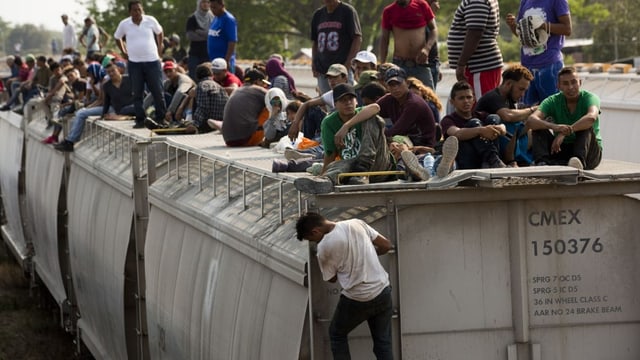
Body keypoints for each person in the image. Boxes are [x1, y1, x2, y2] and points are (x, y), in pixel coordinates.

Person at [295, 212, 394, 360]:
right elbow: (386, 245)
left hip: (357, 299)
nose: (314, 242)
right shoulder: (357, 223)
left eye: (312, 239)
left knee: (337, 334)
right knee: (383, 342)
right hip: (382, 292)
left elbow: (332, 279)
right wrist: (369, 254)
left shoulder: (324, 248)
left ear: (316, 231)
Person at [293, 84, 395, 194]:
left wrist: (346, 126)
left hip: (379, 166)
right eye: (343, 100)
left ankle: (363, 168)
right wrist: (324, 173)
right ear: (335, 104)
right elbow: (330, 155)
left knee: (373, 118)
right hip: (352, 169)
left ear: (356, 101)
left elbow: (376, 107)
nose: (348, 103)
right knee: (338, 165)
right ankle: (323, 182)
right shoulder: (328, 123)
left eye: (351, 99)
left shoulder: (363, 113)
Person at [526, 66, 601, 170]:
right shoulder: (552, 101)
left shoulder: (590, 98)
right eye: (565, 84)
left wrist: (565, 132)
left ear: (580, 83)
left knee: (585, 126)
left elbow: (591, 118)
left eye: (574, 82)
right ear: (559, 86)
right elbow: (531, 120)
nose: (570, 87)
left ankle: (578, 162)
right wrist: (555, 127)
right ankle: (542, 163)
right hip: (561, 149)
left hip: (588, 153)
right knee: (538, 128)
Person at [55, 62, 135, 152]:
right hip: (113, 108)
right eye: (109, 72)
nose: (111, 73)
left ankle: (69, 140)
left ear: (118, 70)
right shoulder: (107, 85)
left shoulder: (130, 80)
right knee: (81, 113)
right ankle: (69, 141)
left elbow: (141, 96)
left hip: (129, 109)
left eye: (113, 71)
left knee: (80, 112)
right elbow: (105, 102)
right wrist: (103, 115)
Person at [506, 0, 572, 106]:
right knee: (526, 111)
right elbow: (521, 33)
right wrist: (513, 25)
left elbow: (567, 29)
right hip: (527, 67)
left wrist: (542, 25)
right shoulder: (525, 1)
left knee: (552, 110)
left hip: (549, 65)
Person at [114, 0, 167, 129]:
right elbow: (117, 37)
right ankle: (140, 119)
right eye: (134, 10)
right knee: (137, 93)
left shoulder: (150, 20)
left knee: (158, 91)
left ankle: (161, 118)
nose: (137, 12)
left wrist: (159, 48)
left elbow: (159, 32)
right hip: (134, 63)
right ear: (129, 12)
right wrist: (123, 51)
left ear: (142, 10)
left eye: (139, 9)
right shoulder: (124, 24)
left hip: (152, 61)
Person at [475, 64, 538, 166]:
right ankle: (512, 162)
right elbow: (508, 116)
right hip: (486, 143)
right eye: (521, 89)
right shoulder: (493, 97)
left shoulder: (510, 100)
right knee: (513, 124)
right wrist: (533, 110)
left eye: (525, 91)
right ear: (508, 83)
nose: (522, 95)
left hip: (505, 141)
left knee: (535, 126)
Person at [440, 80, 507, 170]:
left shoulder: (482, 115)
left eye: (469, 97)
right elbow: (457, 133)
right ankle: (492, 160)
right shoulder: (448, 120)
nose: (466, 101)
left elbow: (503, 127)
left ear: (474, 100)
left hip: (484, 160)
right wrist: (480, 130)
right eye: (461, 98)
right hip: (466, 159)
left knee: (493, 118)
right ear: (452, 102)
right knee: (474, 123)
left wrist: (499, 128)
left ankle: (491, 161)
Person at [447, 0, 503, 98]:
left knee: (479, 109)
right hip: (480, 66)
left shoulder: (477, 1)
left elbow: (475, 32)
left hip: (478, 66)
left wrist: (461, 64)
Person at [379, 0, 438, 89]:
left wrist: (427, 49)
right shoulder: (388, 11)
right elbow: (384, 39)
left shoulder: (422, 5)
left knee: (429, 98)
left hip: (421, 63)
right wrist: (382, 63)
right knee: (399, 98)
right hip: (399, 64)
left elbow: (434, 30)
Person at [311, 0, 362, 94]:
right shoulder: (318, 15)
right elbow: (315, 42)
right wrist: (314, 63)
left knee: (345, 99)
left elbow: (357, 38)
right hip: (323, 70)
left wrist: (347, 65)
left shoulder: (347, 11)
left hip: (341, 68)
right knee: (328, 103)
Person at [288, 63, 350, 141]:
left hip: (347, 129)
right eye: (329, 78)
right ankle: (308, 142)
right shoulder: (331, 94)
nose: (331, 81)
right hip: (332, 127)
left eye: (335, 77)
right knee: (311, 108)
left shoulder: (354, 93)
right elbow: (307, 104)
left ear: (345, 78)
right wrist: (295, 123)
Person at [377, 67, 437, 147]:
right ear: (387, 87)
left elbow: (397, 131)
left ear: (407, 83)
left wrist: (376, 134)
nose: (395, 88)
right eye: (391, 85)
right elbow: (372, 108)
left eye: (398, 83)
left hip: (422, 145)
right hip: (405, 141)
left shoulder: (413, 103)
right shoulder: (389, 99)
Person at [219, 69, 269, 146]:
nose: (265, 86)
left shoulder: (236, 91)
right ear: (258, 81)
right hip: (246, 139)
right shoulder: (257, 89)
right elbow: (280, 100)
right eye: (263, 83)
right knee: (271, 106)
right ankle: (271, 139)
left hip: (229, 140)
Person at [179, 63, 228, 133]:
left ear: (197, 76)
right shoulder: (219, 86)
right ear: (211, 74)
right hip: (221, 122)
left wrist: (195, 124)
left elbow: (203, 107)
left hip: (208, 124)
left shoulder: (201, 86)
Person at [145, 61, 195, 125]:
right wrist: (142, 109)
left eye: (170, 71)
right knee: (159, 94)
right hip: (177, 108)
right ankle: (160, 118)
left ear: (176, 70)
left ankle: (182, 119)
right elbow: (155, 93)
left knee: (167, 96)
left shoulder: (184, 80)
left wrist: (170, 111)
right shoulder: (168, 82)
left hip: (188, 107)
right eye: (166, 72)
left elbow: (180, 93)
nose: (168, 74)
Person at [186, 0, 215, 79]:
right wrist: (207, 34)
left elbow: (215, 34)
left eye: (208, 2)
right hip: (195, 55)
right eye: (203, 2)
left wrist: (198, 31)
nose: (206, 4)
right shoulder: (192, 18)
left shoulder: (214, 18)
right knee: (194, 79)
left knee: (209, 78)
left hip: (208, 54)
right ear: (199, 3)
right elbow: (190, 36)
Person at [207, 0, 238, 73]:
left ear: (222, 6)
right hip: (214, 62)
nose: (212, 10)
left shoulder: (228, 19)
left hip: (224, 64)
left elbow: (232, 41)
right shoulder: (216, 18)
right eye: (211, 7)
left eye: (214, 7)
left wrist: (226, 61)